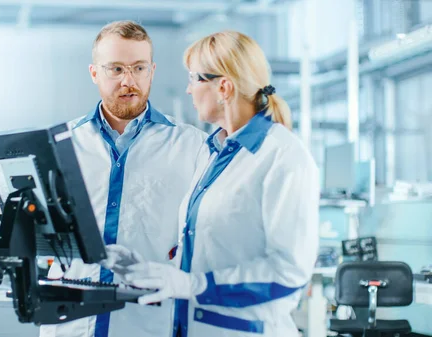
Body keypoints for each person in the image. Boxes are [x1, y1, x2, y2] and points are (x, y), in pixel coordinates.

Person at [111, 31, 320, 337]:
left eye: (194, 79)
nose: (188, 90)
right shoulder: (214, 154)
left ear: (223, 87)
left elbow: (288, 272)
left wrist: (192, 285)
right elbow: (212, 253)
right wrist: (154, 269)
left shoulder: (282, 156)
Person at [39, 21, 208, 337]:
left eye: (139, 68)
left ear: (152, 71)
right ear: (94, 73)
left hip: (147, 323)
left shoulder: (192, 146)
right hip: (72, 323)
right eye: (115, 69)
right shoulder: (61, 144)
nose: (128, 80)